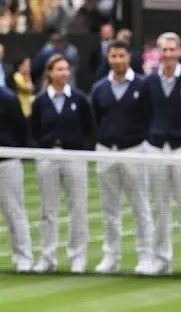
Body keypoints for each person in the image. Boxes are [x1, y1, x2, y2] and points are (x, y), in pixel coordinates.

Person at [91, 39, 157, 276]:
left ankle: (146, 256)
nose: (118, 60)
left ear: (129, 57)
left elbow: (150, 117)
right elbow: (96, 119)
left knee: (140, 206)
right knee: (109, 209)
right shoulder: (99, 88)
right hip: (107, 151)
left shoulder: (143, 85)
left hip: (135, 150)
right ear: (108, 58)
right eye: (113, 56)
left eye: (121, 56)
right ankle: (111, 256)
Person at [145, 32, 181, 277]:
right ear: (158, 53)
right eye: (164, 50)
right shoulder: (149, 81)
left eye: (172, 50)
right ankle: (162, 258)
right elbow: (145, 113)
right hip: (157, 147)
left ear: (179, 52)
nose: (168, 54)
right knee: (160, 207)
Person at [30, 54, 92, 274]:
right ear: (50, 73)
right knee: (49, 210)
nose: (64, 73)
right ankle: (47, 256)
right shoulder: (40, 102)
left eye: (66, 69)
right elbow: (35, 129)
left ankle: (78, 257)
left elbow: (87, 127)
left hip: (74, 156)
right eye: (59, 69)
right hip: (48, 157)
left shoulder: (79, 99)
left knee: (78, 208)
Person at [0, 84, 33, 273]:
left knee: (14, 211)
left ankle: (24, 258)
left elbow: (21, 129)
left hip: (8, 162)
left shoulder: (7, 98)